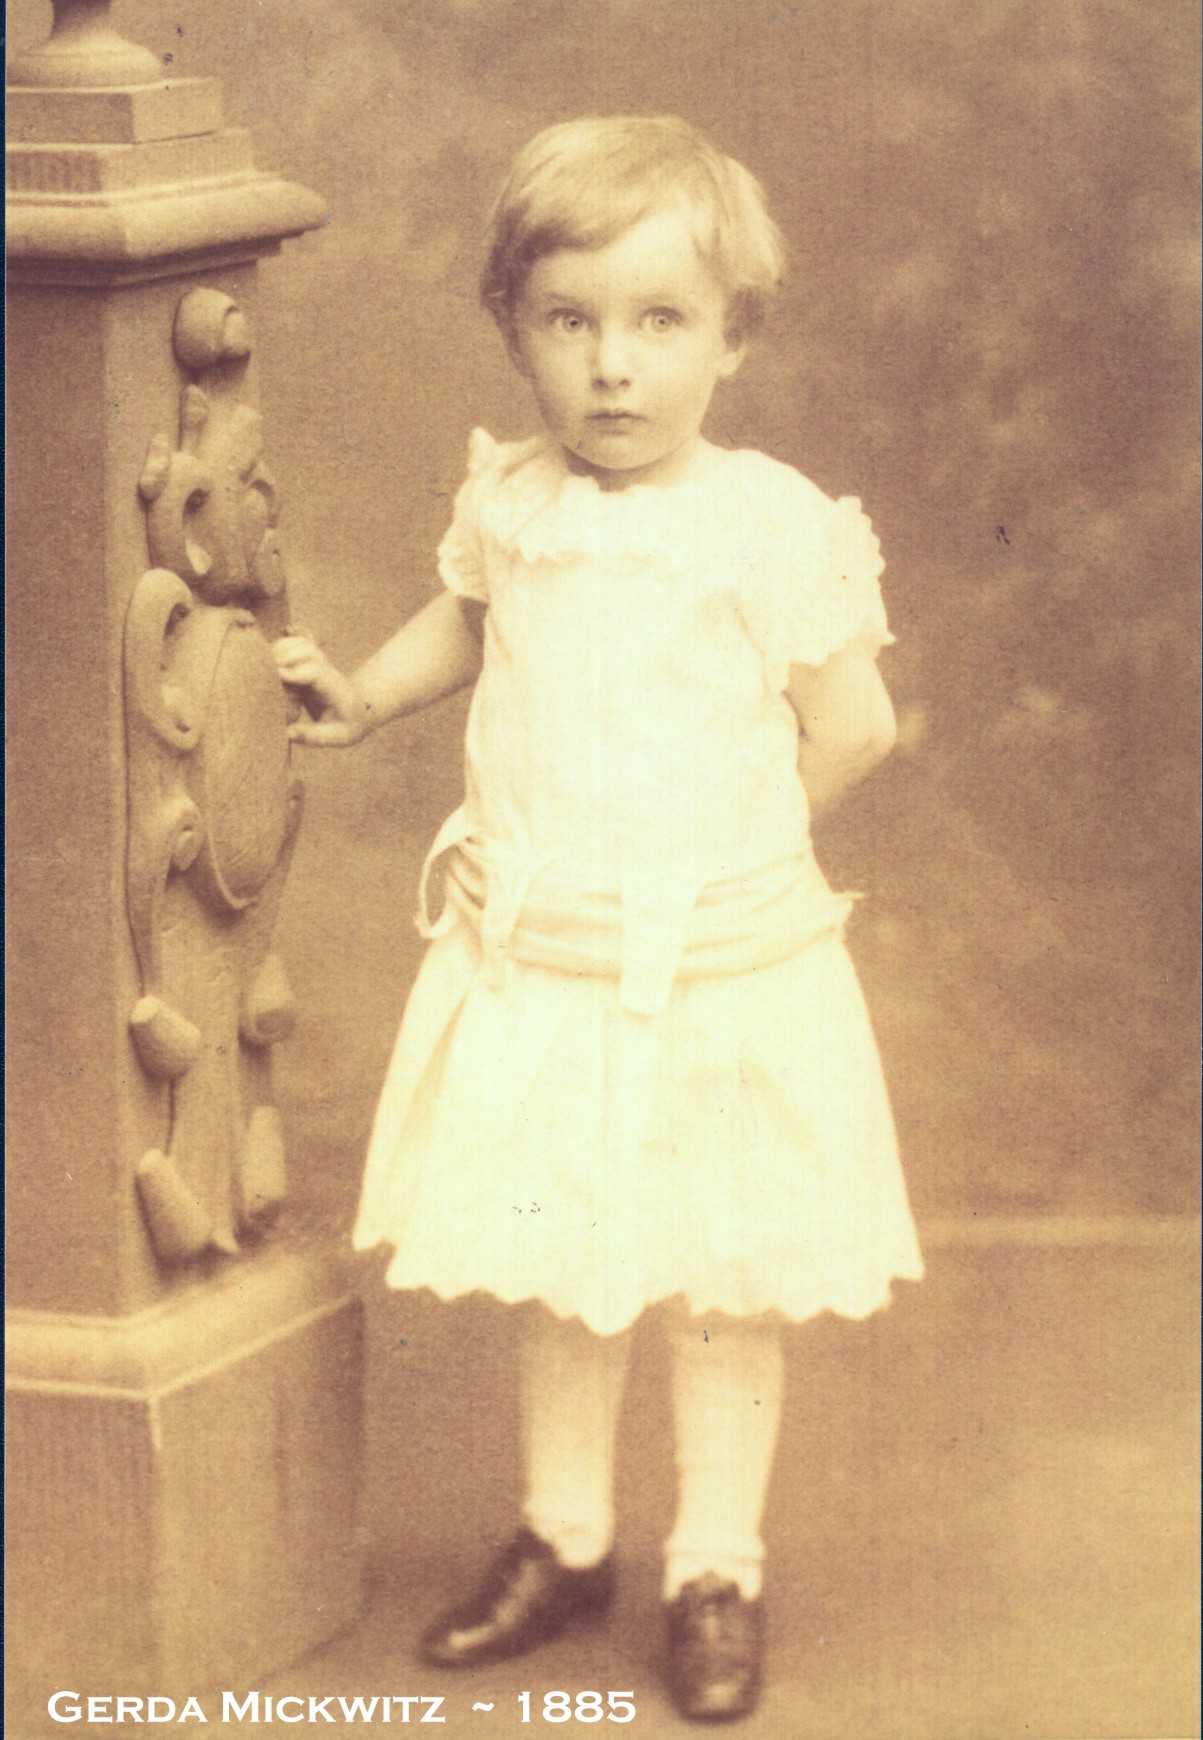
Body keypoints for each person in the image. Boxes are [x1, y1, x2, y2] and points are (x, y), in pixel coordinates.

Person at [274, 114, 923, 1724]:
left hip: (720, 969)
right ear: (514, 327)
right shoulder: (513, 501)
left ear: (733, 337)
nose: (613, 367)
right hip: (546, 964)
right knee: (562, 1258)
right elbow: (468, 622)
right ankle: (565, 1537)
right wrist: (363, 699)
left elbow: (852, 727)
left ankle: (717, 1563)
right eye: (570, 321)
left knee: (717, 1280)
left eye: (660, 321)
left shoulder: (768, 522)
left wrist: (723, 870)